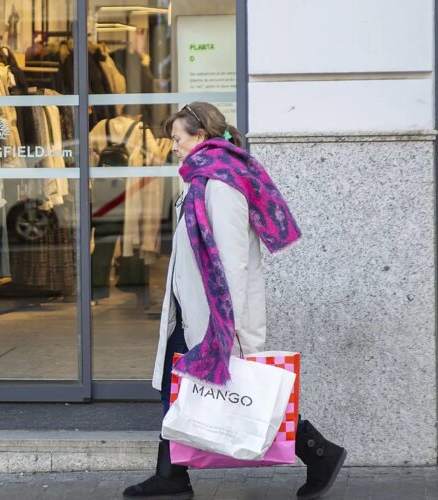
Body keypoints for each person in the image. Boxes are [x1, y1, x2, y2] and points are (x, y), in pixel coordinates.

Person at [123, 102, 347, 500]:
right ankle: (171, 477)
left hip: (213, 319)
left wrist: (225, 329)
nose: (173, 147)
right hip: (192, 314)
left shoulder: (221, 183)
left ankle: (319, 453)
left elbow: (230, 262)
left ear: (201, 137)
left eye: (177, 139)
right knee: (179, 390)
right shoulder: (203, 178)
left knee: (246, 395)